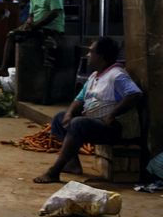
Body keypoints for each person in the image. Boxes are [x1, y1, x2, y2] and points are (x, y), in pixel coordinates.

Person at [33, 38, 142, 184]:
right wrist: (69, 113)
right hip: (96, 123)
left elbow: (135, 94)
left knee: (78, 124)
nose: (88, 55)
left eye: (91, 51)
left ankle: (54, 171)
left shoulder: (117, 75)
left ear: (101, 56)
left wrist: (112, 114)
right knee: (60, 119)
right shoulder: (94, 76)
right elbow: (79, 99)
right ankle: (72, 164)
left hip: (116, 128)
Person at [0, 0, 63, 78]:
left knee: (45, 50)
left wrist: (37, 25)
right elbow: (31, 15)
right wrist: (28, 23)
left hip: (51, 29)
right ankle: (4, 68)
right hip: (37, 27)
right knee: (12, 35)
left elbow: (55, 12)